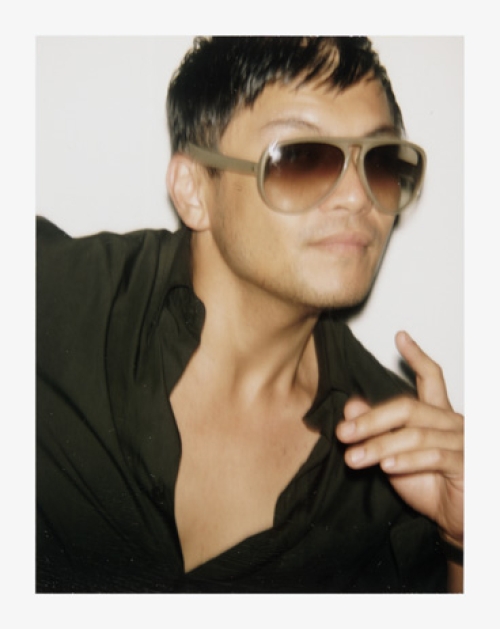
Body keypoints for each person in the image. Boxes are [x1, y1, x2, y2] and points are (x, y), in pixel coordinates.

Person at [36, 36, 463, 593]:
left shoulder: (403, 455)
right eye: (302, 159)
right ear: (194, 189)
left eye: (380, 163)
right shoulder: (52, 296)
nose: (358, 198)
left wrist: (467, 537)